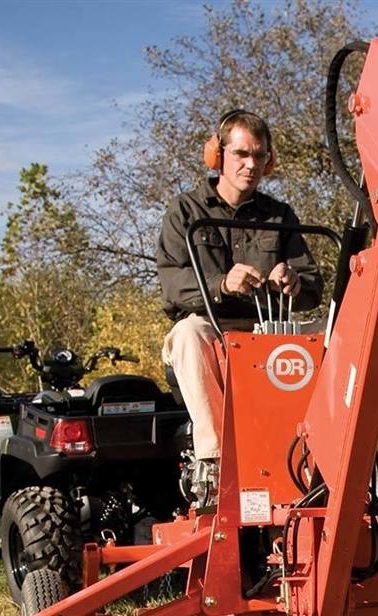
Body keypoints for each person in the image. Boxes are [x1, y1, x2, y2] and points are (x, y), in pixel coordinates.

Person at [155, 109, 322, 494]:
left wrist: (293, 281)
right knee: (187, 334)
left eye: (259, 156)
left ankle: (323, 457)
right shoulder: (186, 211)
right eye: (241, 154)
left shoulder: (280, 215)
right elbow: (172, 283)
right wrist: (221, 284)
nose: (251, 165)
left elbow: (313, 284)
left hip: (270, 331)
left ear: (269, 161)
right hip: (212, 331)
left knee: (336, 334)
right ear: (217, 156)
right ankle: (215, 464)